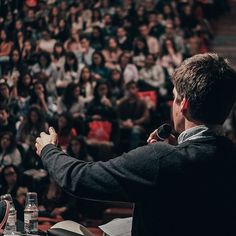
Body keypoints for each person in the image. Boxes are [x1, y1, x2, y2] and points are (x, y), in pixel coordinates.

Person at [35, 53, 236, 236]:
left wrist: (48, 149)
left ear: (184, 104)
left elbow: (79, 179)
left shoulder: (160, 159)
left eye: (174, 97)